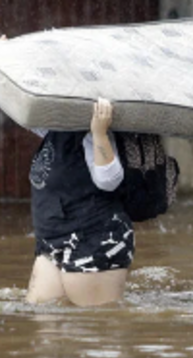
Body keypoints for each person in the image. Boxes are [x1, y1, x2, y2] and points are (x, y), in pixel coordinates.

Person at [25, 98, 134, 307]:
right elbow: (24, 114)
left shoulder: (92, 129)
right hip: (53, 240)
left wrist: (99, 133)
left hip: (94, 238)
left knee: (94, 329)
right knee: (43, 320)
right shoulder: (54, 127)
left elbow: (109, 180)